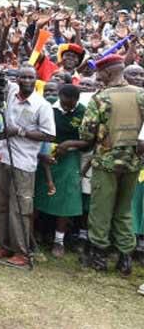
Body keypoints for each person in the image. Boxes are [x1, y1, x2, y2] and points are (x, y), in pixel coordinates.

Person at [79, 54, 144, 275]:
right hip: (133, 163)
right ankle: (125, 258)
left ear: (107, 73)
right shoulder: (140, 94)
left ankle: (99, 256)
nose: (98, 76)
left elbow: (87, 133)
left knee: (101, 210)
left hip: (106, 162)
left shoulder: (100, 97)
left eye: (100, 72)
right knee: (124, 210)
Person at [0, 65, 55, 268]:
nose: (26, 80)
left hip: (23, 163)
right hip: (2, 157)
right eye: (23, 77)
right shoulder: (11, 94)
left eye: (30, 77)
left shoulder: (42, 105)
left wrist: (20, 132)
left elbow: (49, 134)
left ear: (36, 80)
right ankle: (4, 246)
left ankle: (21, 252)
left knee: (20, 209)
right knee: (1, 205)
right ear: (17, 79)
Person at [33, 83, 88, 257]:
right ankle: (33, 232)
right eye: (64, 103)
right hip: (45, 153)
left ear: (77, 100)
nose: (67, 108)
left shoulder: (83, 111)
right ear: (59, 97)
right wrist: (44, 152)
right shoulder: (49, 106)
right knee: (39, 194)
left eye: (71, 105)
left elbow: (89, 141)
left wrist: (69, 143)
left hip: (69, 157)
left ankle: (59, 240)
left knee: (66, 198)